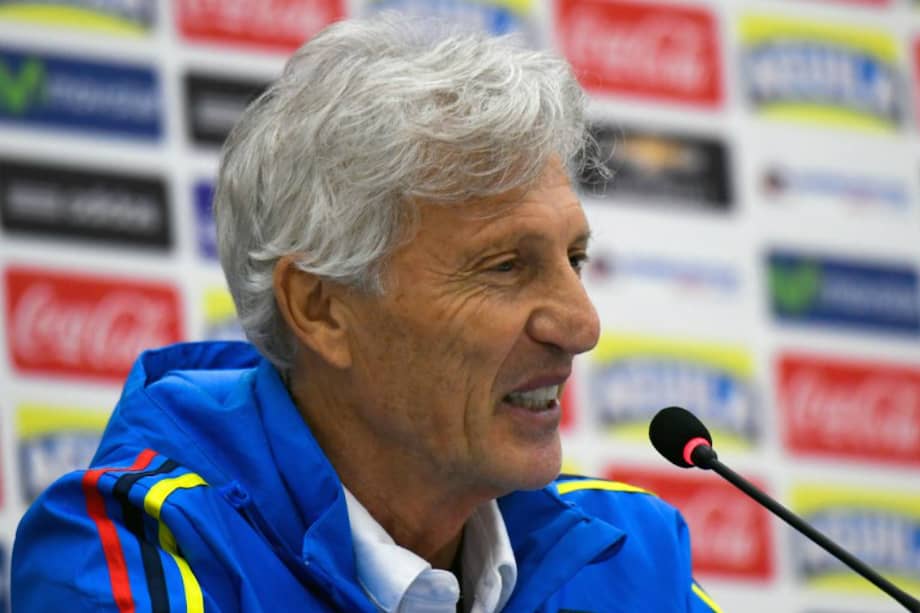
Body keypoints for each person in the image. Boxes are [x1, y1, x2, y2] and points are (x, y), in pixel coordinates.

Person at [12, 16, 721, 613]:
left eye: (575, 258)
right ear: (321, 308)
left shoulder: (629, 554)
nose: (580, 325)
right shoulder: (132, 549)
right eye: (506, 266)